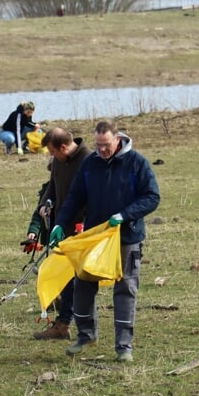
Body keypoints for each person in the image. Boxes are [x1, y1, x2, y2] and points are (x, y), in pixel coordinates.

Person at [49, 120, 161, 362]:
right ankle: (86, 334)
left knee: (125, 290)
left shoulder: (136, 163)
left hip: (126, 237)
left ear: (117, 139)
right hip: (95, 237)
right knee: (83, 284)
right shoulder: (90, 164)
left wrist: (124, 215)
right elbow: (75, 197)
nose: (102, 150)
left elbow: (152, 197)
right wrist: (60, 222)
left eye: (106, 145)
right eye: (98, 145)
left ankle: (123, 347)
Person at [29, 127, 92, 340]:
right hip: (61, 227)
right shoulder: (58, 161)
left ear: (63, 147)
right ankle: (63, 325)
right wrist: (43, 205)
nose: (51, 156)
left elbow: (91, 195)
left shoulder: (88, 160)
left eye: (53, 152)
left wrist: (84, 222)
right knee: (65, 276)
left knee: (78, 279)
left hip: (82, 229)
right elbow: (52, 188)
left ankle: (75, 324)